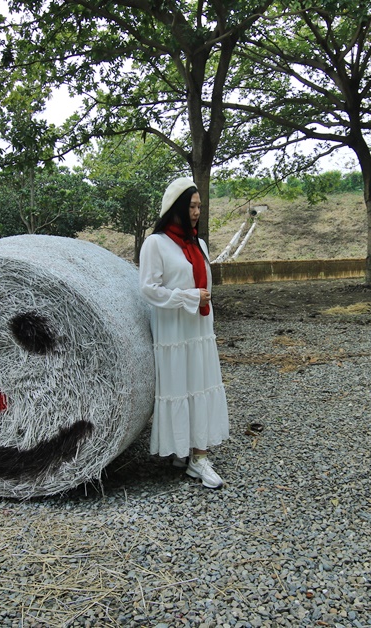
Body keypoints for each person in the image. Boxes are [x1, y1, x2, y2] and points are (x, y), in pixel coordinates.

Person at [139, 176, 230, 488]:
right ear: (176, 207)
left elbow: (207, 285)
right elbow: (149, 290)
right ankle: (186, 451)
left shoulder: (199, 244)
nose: (196, 212)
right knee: (181, 386)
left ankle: (198, 457)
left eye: (199, 207)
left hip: (198, 330)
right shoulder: (156, 244)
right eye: (191, 206)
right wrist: (188, 297)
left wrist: (201, 306)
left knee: (200, 385)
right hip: (174, 333)